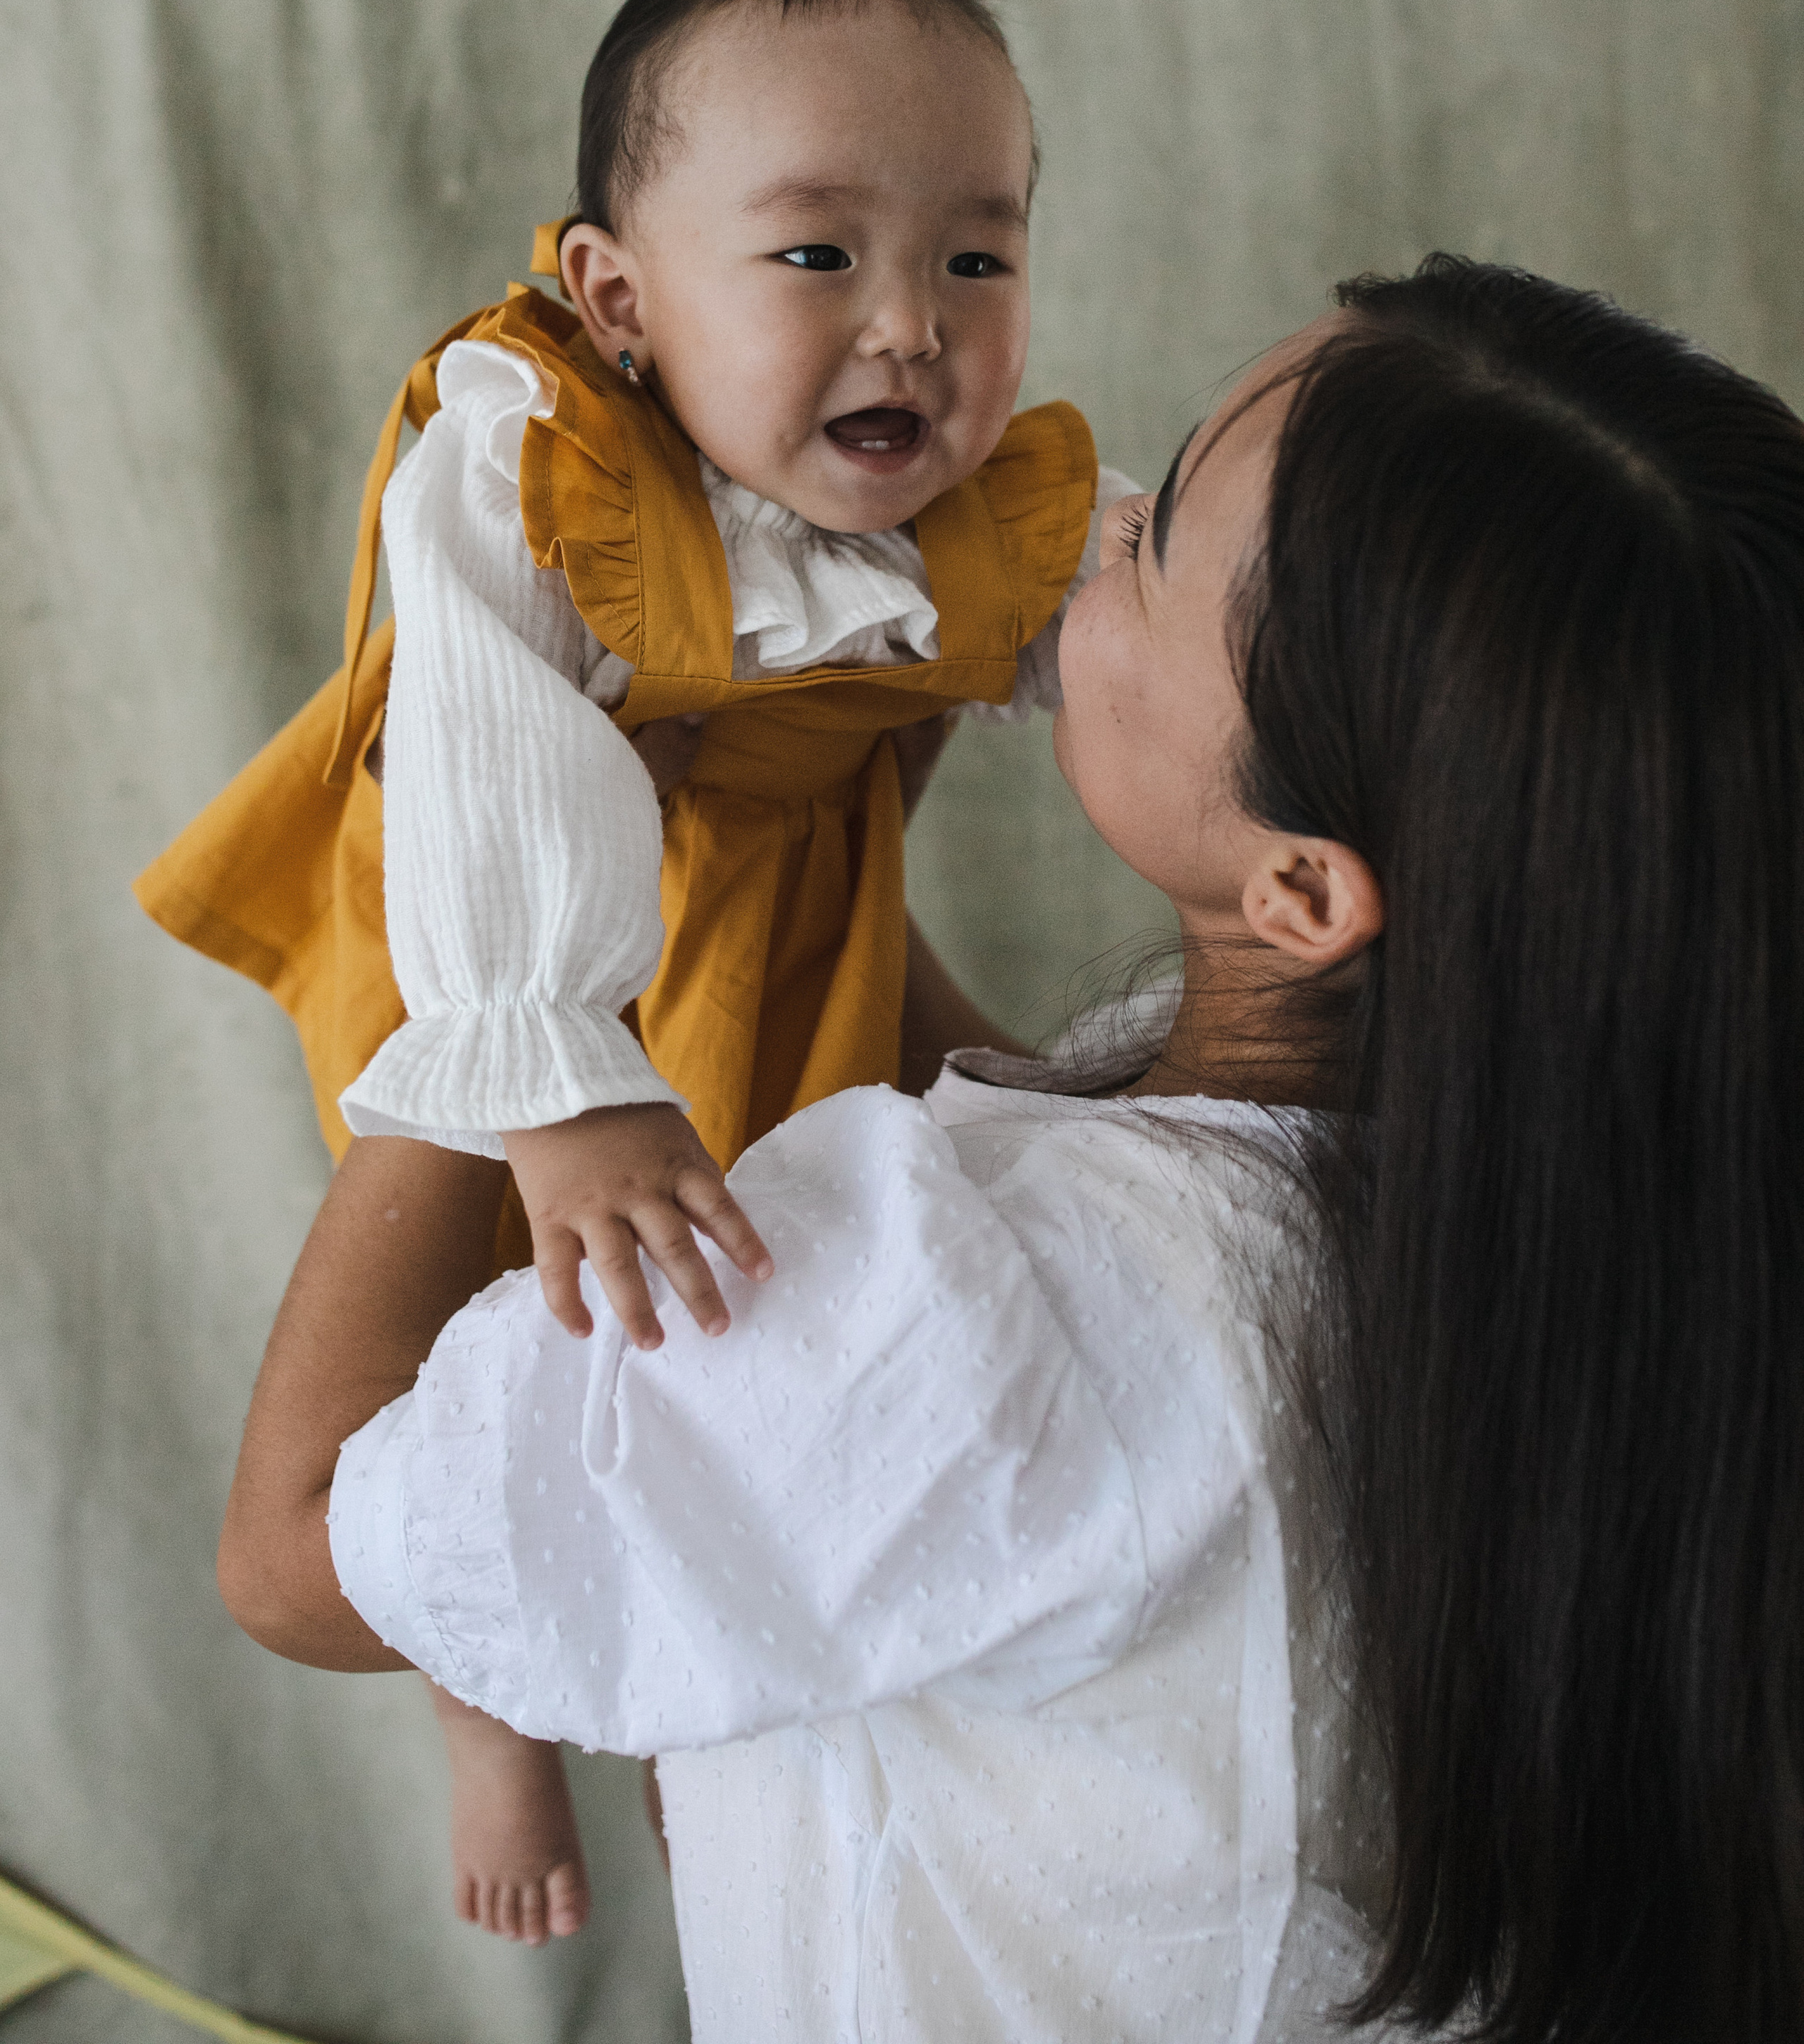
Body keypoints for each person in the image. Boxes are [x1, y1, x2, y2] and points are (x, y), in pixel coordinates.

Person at [219, 257, 1804, 2043]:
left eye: (1157, 533)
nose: (1092, 513)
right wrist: (810, 782)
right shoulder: (1568, 1186)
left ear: (1299, 888)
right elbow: (986, 1119)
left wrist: (497, 932)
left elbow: (295, 1549)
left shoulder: (961, 1317)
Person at [138, 0, 1135, 1940]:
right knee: (520, 1290)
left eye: (979, 251)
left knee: (734, 1305)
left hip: (794, 905)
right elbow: (481, 735)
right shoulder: (535, 463)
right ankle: (482, 1700)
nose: (912, 324)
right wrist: (555, 1069)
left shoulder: (966, 503)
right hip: (514, 917)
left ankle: (701, 1696)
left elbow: (1109, 641)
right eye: (816, 254)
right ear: (614, 294)